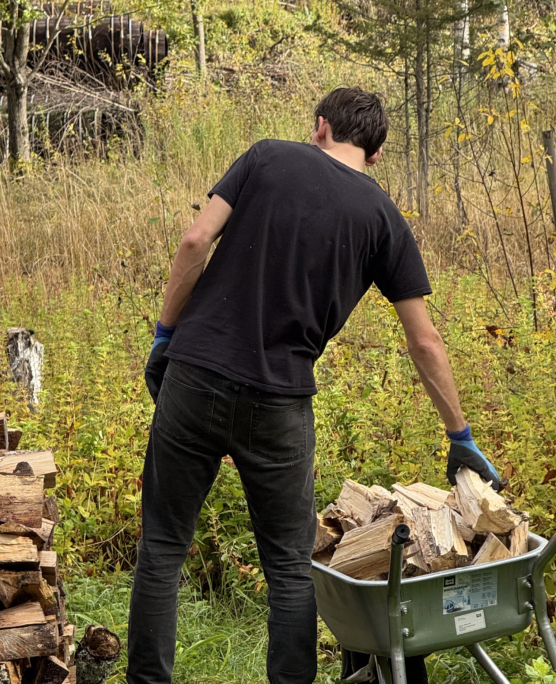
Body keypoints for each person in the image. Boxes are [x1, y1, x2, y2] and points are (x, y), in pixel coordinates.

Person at [126, 87, 501, 684]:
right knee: (287, 568)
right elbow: (425, 341)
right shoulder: (383, 218)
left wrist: (166, 334)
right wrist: (460, 433)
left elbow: (195, 241)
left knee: (164, 549)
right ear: (374, 155)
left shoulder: (268, 156)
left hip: (193, 376)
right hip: (279, 402)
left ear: (320, 126)